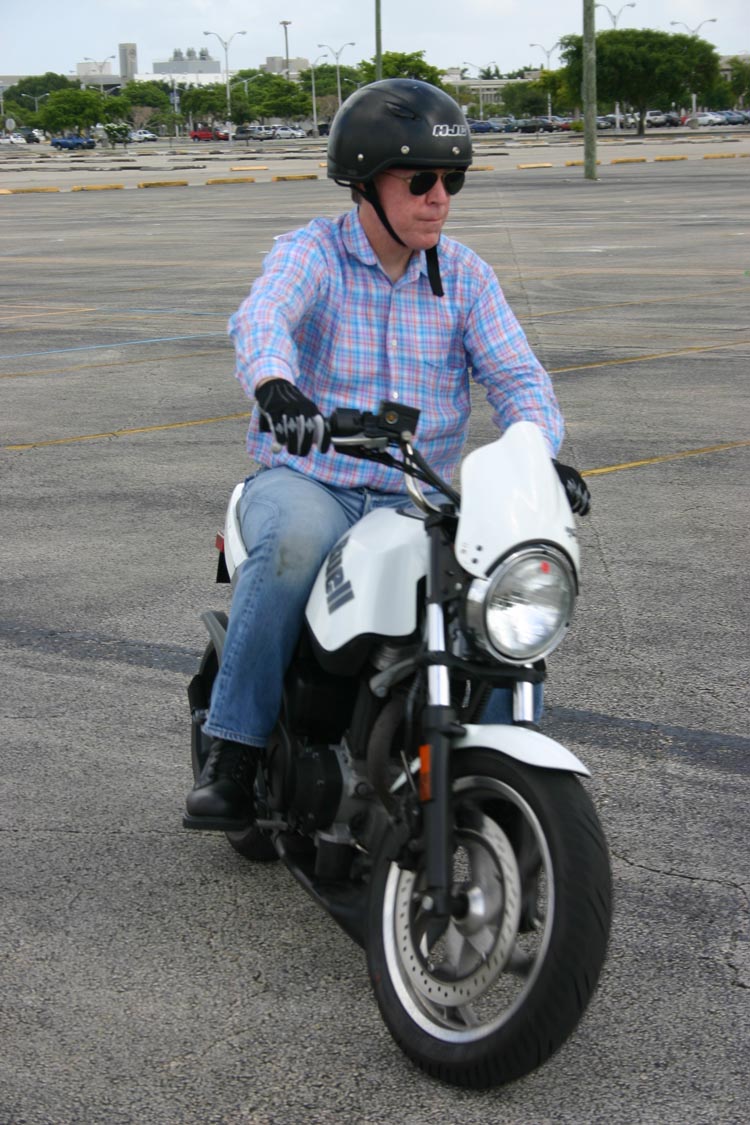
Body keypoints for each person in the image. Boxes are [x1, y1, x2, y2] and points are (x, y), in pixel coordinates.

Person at [184, 78, 590, 831]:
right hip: (314, 478)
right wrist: (276, 386)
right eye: (421, 180)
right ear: (366, 184)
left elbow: (518, 377)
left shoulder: (464, 275)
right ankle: (233, 752)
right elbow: (264, 314)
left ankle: (502, 765)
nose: (439, 198)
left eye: (452, 181)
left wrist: (538, 450)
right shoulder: (314, 252)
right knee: (291, 547)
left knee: (496, 589)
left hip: (417, 493)